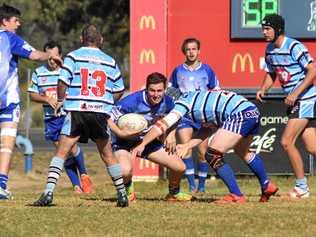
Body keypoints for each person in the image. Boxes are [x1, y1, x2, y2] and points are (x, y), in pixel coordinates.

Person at [32, 24, 128, 207]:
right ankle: (122, 194)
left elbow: (62, 81)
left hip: (77, 110)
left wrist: (60, 99)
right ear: (100, 40)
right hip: (99, 112)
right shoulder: (110, 60)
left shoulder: (73, 56)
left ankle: (48, 193)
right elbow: (119, 90)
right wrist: (106, 101)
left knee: (61, 151)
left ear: (81, 39)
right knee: (107, 154)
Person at [132, 89, 279, 203]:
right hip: (251, 110)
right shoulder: (197, 99)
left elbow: (163, 124)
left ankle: (236, 195)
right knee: (243, 152)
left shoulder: (181, 103)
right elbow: (207, 129)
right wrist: (187, 145)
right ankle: (267, 185)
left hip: (239, 114)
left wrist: (143, 143)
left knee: (212, 154)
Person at [0, 4, 62, 200]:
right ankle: (0, 187)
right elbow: (35, 55)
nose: (18, 24)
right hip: (8, 101)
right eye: (15, 20)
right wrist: (51, 55)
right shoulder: (10, 38)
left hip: (8, 100)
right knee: (7, 143)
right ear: (5, 21)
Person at [108, 72, 193, 202]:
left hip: (148, 142)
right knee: (125, 171)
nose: (156, 94)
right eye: (152, 90)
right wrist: (120, 133)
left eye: (159, 90)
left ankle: (173, 193)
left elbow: (175, 118)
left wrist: (171, 134)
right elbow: (107, 118)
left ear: (165, 90)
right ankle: (128, 189)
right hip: (123, 142)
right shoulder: (131, 101)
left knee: (179, 167)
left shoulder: (168, 102)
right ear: (146, 89)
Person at [257, 14, 316, 198]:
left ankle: (301, 187)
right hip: (296, 100)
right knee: (312, 148)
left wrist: (295, 93)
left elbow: (313, 70)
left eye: (267, 28)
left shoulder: (294, 46)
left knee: (286, 142)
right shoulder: (269, 49)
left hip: (305, 98)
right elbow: (271, 73)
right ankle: (302, 187)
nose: (264, 32)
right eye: (263, 28)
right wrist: (263, 89)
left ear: (278, 29)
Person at [28, 41, 93, 194]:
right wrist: (46, 99)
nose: (52, 60)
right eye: (49, 57)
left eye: (55, 56)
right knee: (61, 152)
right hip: (51, 119)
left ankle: (83, 174)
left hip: (68, 116)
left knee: (70, 147)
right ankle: (76, 185)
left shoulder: (67, 71)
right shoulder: (39, 72)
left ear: (60, 56)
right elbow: (32, 94)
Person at [169, 38, 220, 192]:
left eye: (194, 49)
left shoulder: (207, 70)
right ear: (184, 52)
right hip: (185, 115)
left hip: (202, 115)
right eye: (188, 50)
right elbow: (171, 91)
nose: (191, 52)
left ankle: (202, 187)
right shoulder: (178, 70)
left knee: (203, 153)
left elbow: (216, 90)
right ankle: (192, 185)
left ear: (199, 51)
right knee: (186, 148)